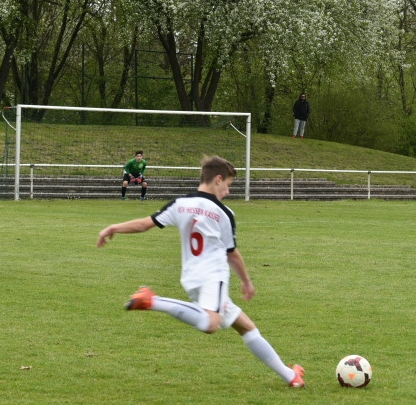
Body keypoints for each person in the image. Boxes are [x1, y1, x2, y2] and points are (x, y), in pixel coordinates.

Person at [97, 155, 306, 388]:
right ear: (218, 179)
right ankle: (152, 300)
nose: (227, 191)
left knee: (246, 326)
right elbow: (232, 253)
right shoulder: (223, 212)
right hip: (213, 277)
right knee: (210, 324)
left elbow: (145, 224)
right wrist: (246, 281)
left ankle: (291, 376)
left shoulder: (180, 203)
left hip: (191, 278)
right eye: (228, 185)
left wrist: (114, 227)